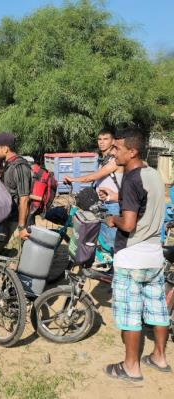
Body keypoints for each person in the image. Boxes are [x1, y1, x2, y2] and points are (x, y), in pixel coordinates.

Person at [104, 127, 170, 382]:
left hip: (132, 255)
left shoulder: (131, 178)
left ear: (132, 151)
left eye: (118, 148)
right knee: (157, 310)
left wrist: (112, 219)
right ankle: (159, 358)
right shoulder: (153, 174)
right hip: (155, 254)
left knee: (131, 314)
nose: (114, 152)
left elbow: (129, 224)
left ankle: (131, 367)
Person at [64, 129, 124, 247]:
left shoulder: (115, 160)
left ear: (113, 142)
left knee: (110, 243)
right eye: (99, 139)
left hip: (113, 205)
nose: (101, 142)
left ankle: (113, 264)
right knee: (100, 241)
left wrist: (74, 179)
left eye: (105, 139)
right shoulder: (103, 160)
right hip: (102, 204)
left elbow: (95, 176)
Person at [0, 132, 32, 253]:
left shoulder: (20, 167)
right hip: (8, 218)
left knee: (13, 257)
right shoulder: (8, 164)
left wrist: (21, 227)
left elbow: (24, 199)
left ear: (5, 149)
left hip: (16, 222)